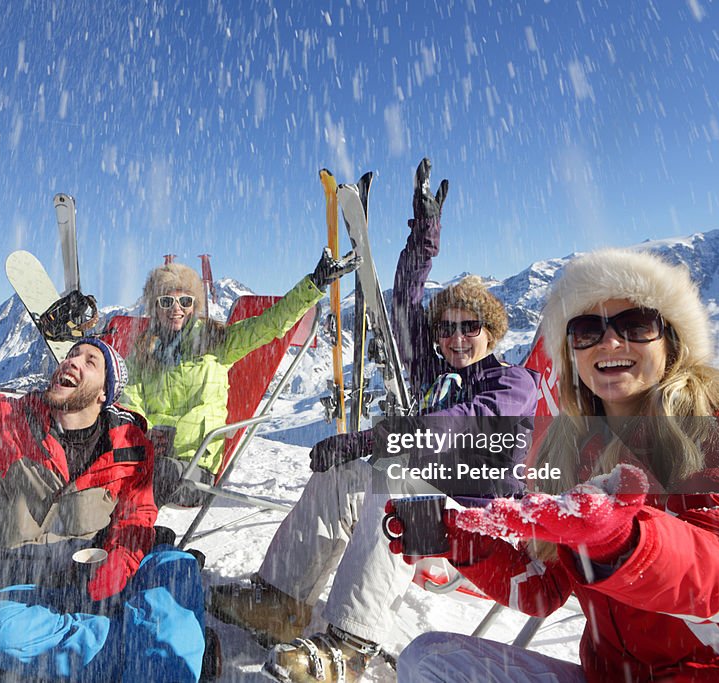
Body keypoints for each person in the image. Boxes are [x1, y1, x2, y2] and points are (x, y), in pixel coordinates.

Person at [209, 159, 540, 683]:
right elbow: (405, 301)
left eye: (470, 327)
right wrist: (424, 236)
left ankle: (353, 640)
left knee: (397, 480)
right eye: (448, 328)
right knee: (342, 479)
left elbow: (455, 425)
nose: (456, 337)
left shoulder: (513, 385)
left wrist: (372, 436)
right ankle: (280, 598)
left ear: (492, 331)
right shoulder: (434, 368)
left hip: (479, 521)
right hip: (421, 507)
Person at [395, 248, 719, 683]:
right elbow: (544, 590)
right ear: (573, 354)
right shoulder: (576, 448)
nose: (610, 342)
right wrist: (458, 537)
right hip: (610, 674)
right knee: (430, 658)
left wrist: (622, 539)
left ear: (672, 339)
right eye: (586, 330)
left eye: (636, 325)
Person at [0, 246, 206, 682]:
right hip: (21, 590)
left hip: (93, 582)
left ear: (106, 393)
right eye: (71, 355)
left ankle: (129, 654)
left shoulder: (129, 446)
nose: (72, 361)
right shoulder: (5, 424)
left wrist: (120, 560)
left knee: (176, 570)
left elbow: (136, 515)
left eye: (90, 360)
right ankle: (138, 655)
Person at [120, 249, 358, 507]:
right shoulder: (145, 351)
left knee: (151, 478)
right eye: (167, 301)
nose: (176, 309)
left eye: (185, 302)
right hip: (148, 457)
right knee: (112, 471)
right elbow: (129, 401)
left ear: (194, 306)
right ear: (156, 307)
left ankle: (133, 538)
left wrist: (314, 283)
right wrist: (146, 433)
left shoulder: (216, 342)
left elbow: (270, 324)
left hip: (194, 464)